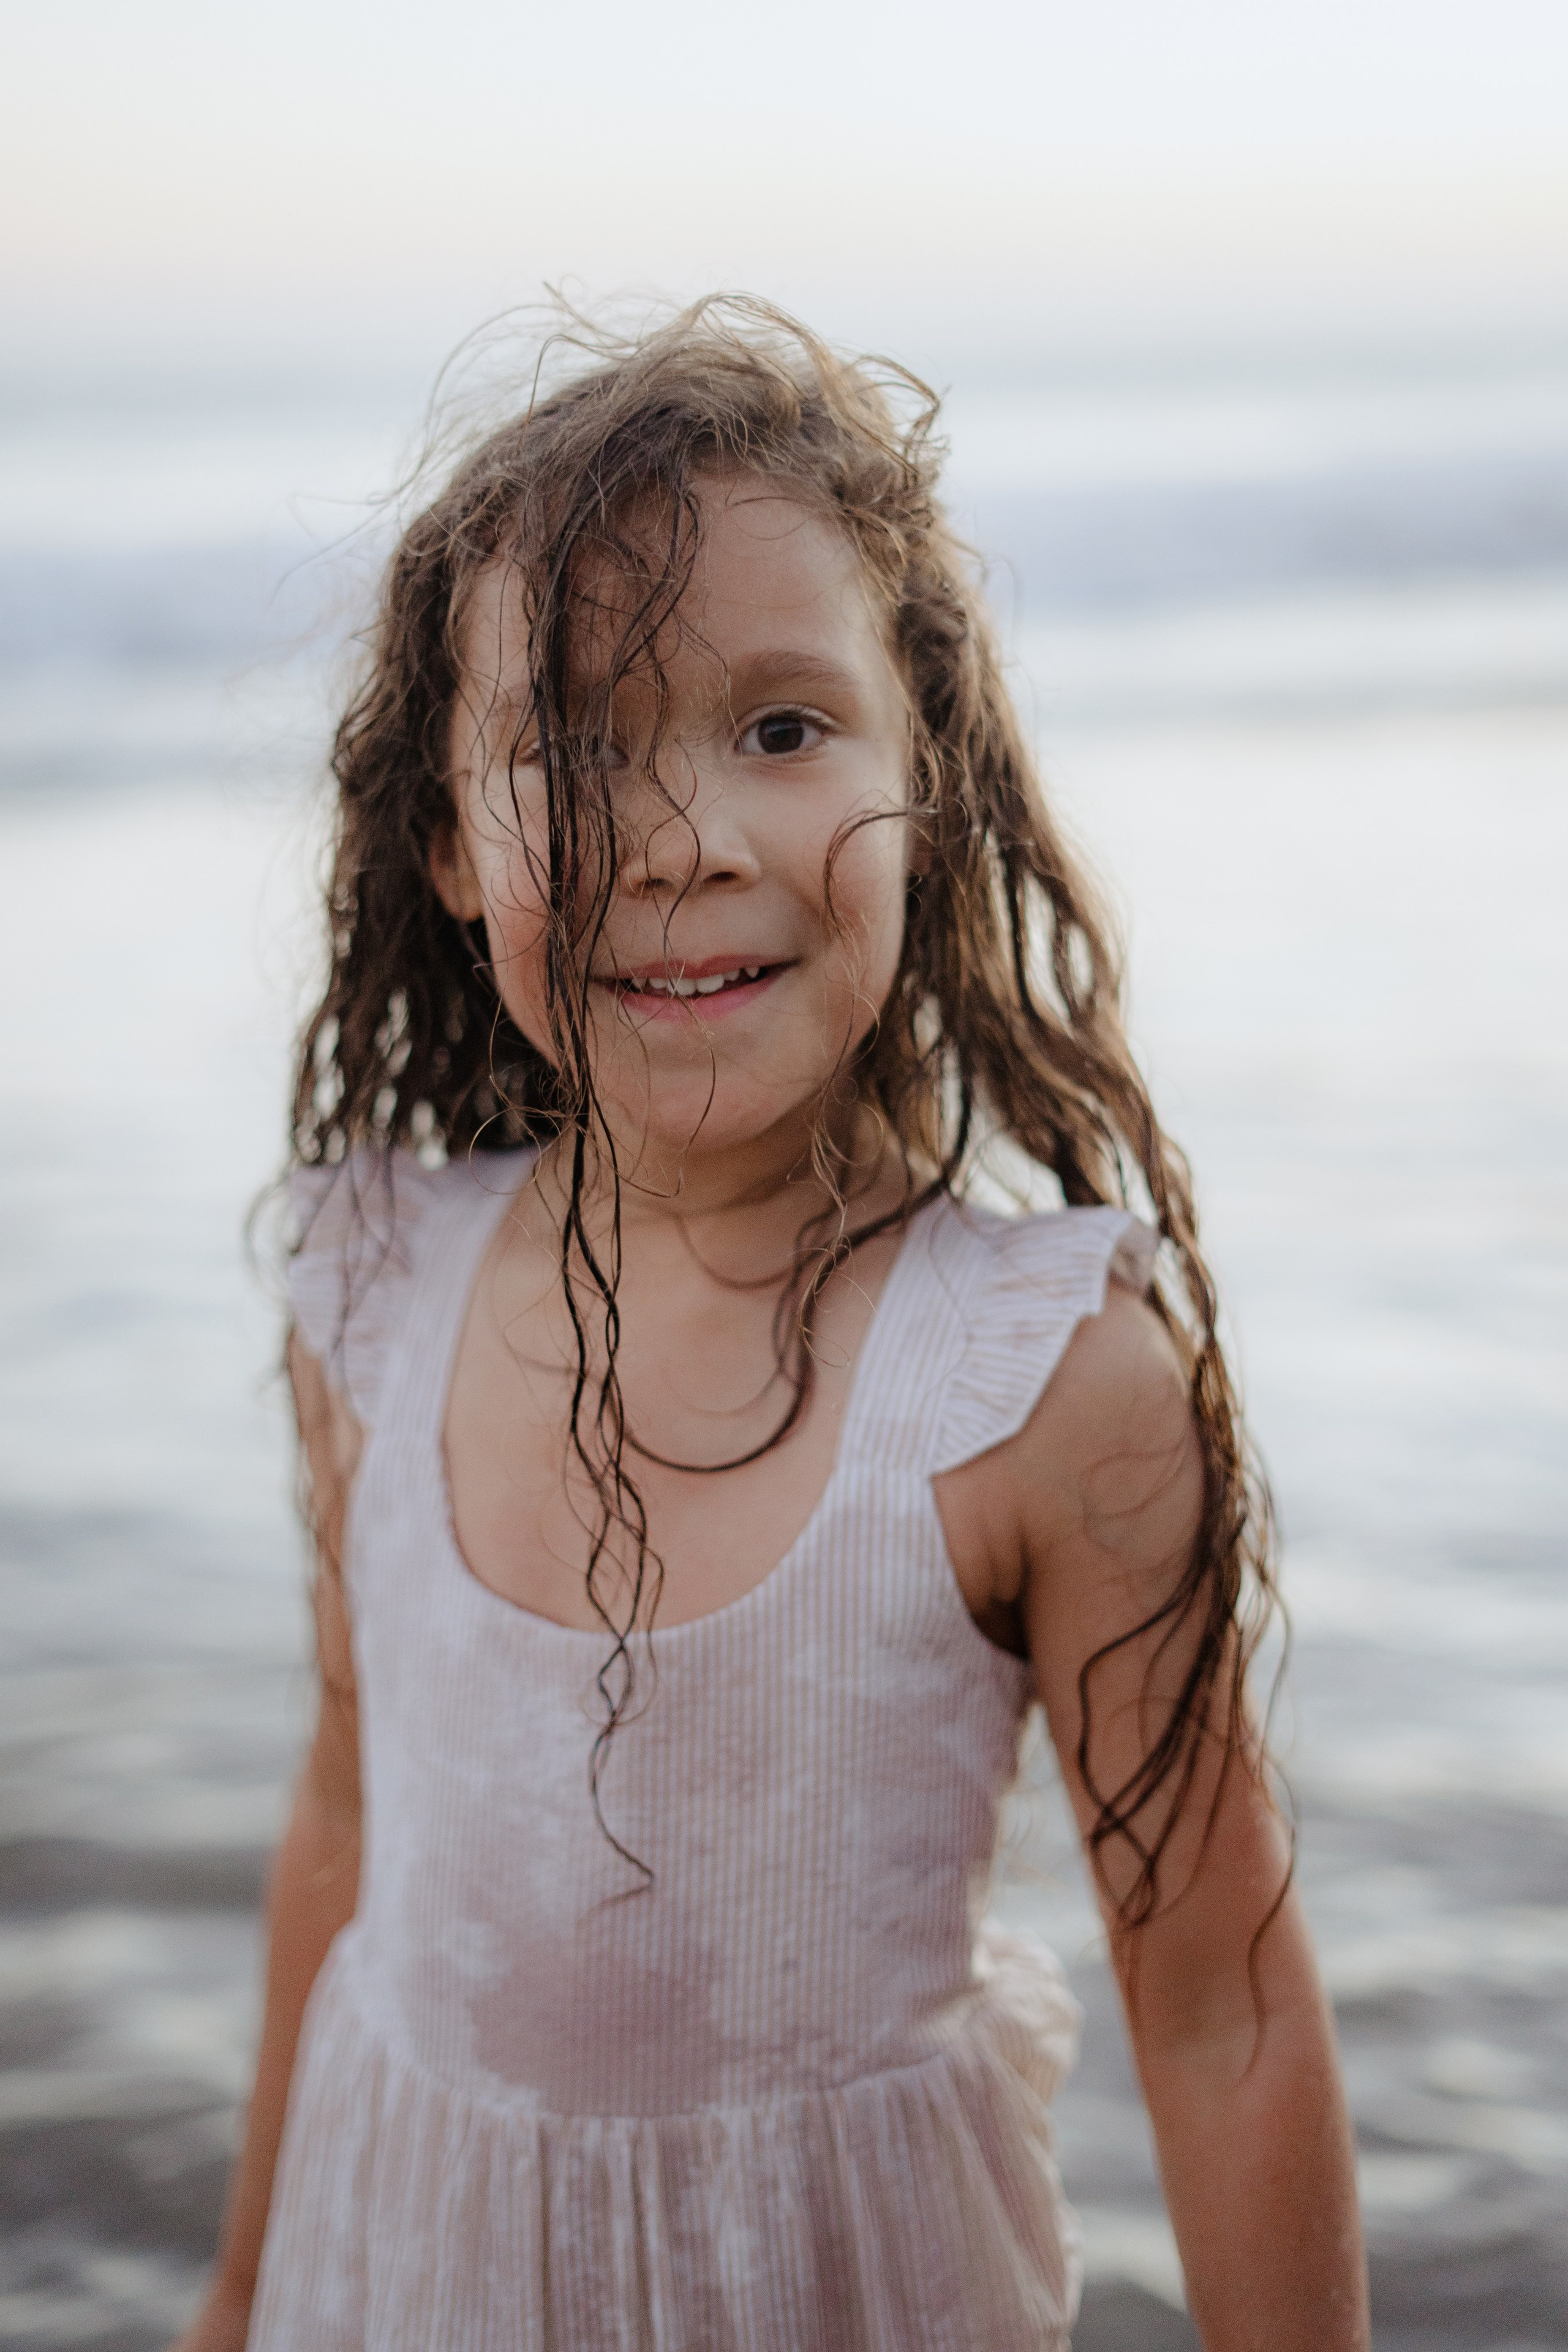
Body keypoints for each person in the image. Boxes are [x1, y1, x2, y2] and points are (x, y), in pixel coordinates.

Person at [175, 297, 1368, 2351]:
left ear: (933, 779)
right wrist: (229, 2303)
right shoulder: (371, 1301)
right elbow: (349, 1819)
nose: (690, 843)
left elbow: (1222, 2009)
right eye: (570, 750)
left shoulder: (1040, 1389)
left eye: (785, 730)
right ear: (448, 843)